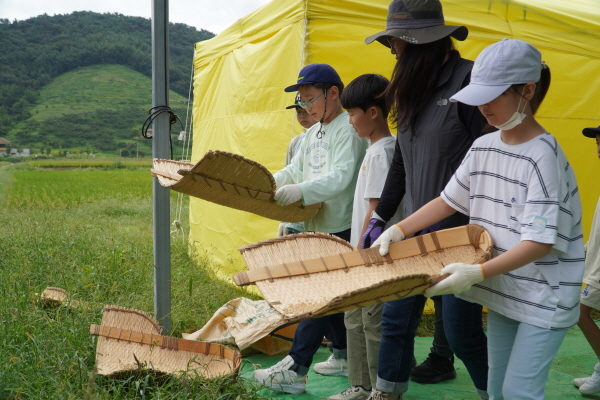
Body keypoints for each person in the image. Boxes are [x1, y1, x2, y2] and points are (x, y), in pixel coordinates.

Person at [376, 38, 585, 400]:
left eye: (492, 96)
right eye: (477, 96)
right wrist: (399, 228)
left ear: (527, 91)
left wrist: (477, 272)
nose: (482, 107)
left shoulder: (542, 156)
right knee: (497, 389)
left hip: (545, 293)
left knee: (520, 390)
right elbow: (447, 199)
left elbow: (540, 242)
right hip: (507, 290)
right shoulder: (484, 146)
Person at [362, 0, 488, 398]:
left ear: (419, 45)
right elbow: (403, 161)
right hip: (413, 231)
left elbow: (491, 162)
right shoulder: (409, 93)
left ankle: (495, 391)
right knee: (397, 317)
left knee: (460, 331)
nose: (393, 53)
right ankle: (387, 391)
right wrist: (380, 218)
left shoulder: (471, 83)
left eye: (395, 45)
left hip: (463, 237)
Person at [252, 63, 369, 394]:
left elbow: (341, 176)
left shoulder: (348, 128)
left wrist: (300, 191)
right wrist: (267, 184)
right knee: (332, 297)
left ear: (334, 94)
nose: (304, 106)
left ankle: (296, 369)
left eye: (309, 99)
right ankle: (343, 355)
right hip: (314, 222)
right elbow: (295, 168)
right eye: (301, 100)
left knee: (317, 297)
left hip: (340, 225)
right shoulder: (315, 130)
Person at [326, 73, 403, 400]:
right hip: (367, 253)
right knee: (354, 318)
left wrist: (359, 251)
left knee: (372, 322)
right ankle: (360, 384)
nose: (350, 121)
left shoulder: (382, 152)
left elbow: (376, 210)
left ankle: (377, 388)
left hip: (375, 254)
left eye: (352, 113)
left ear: (373, 112)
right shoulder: (377, 149)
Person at [573, 124, 600, 395]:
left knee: (579, 312)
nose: (599, 148)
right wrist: (585, 250)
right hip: (595, 264)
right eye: (598, 143)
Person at [278, 93, 318, 237]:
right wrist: (283, 220)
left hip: (318, 215)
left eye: (305, 111)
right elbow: (288, 174)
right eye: (298, 112)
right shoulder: (296, 142)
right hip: (294, 220)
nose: (302, 116)